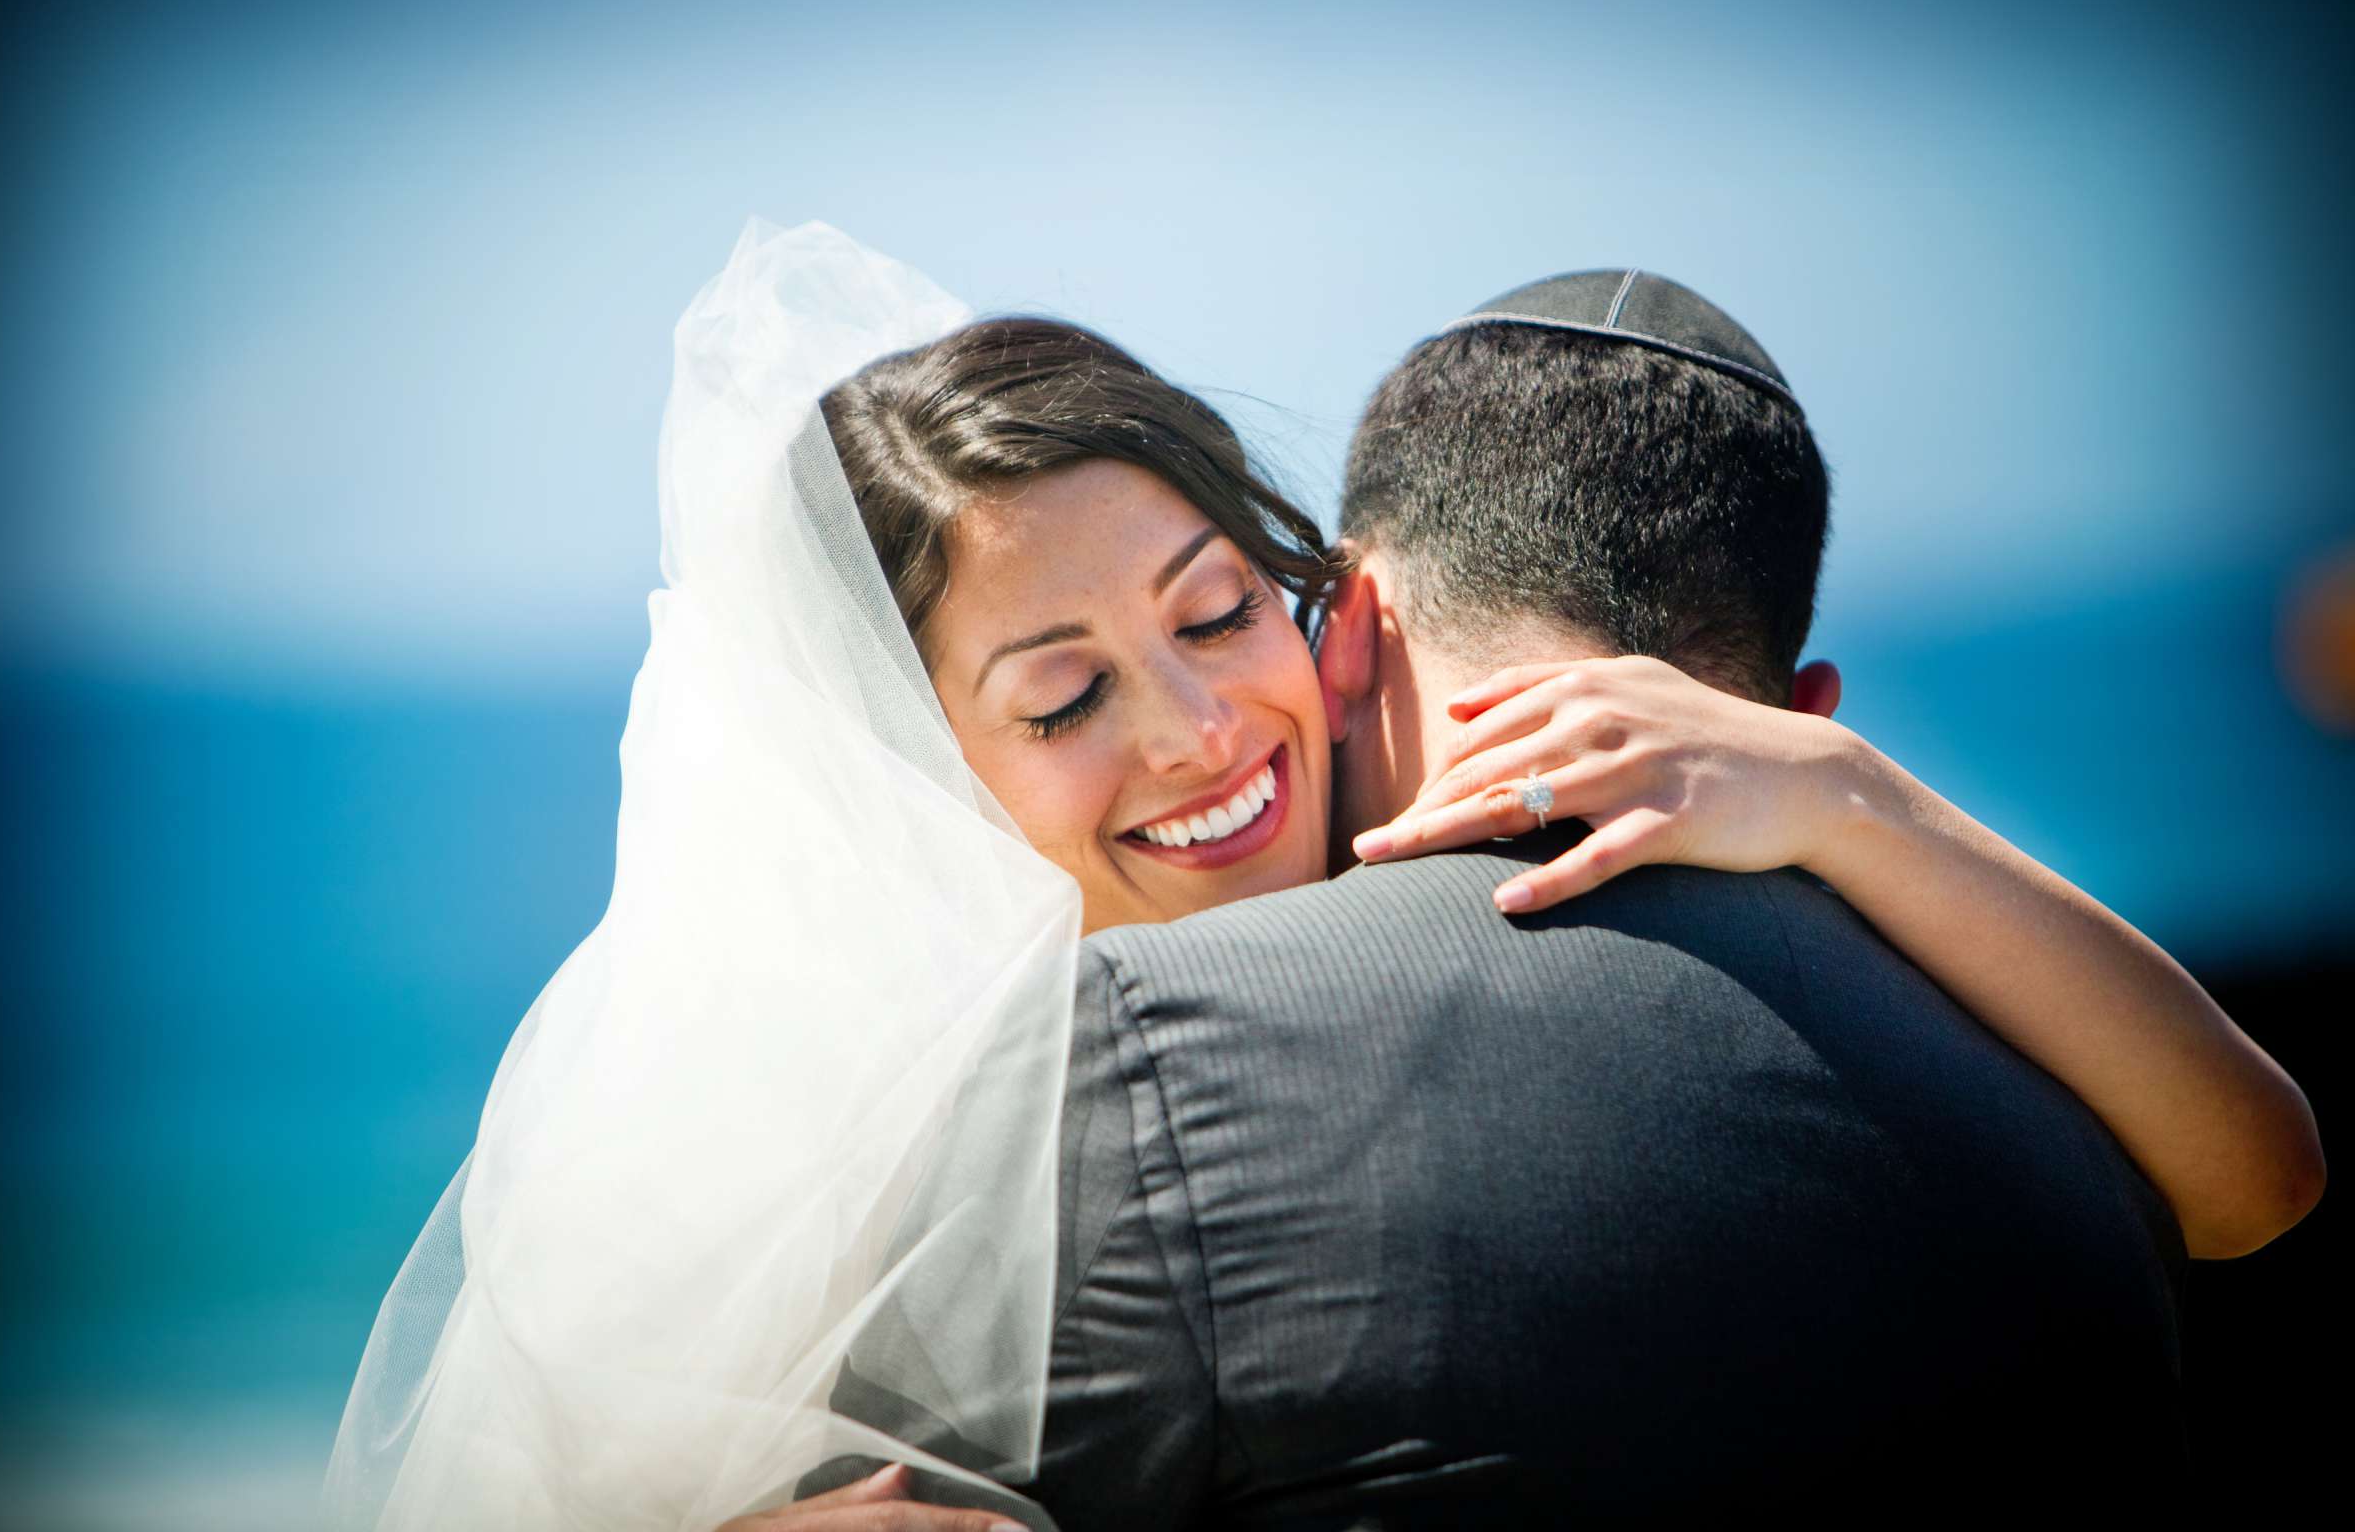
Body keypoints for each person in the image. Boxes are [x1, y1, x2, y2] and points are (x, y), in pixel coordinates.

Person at [328, 226, 2320, 1530]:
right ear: (916, 778)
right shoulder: (943, 1118)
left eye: (1217, 609)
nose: (1200, 723)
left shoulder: (1206, 1048)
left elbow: (2265, 1159)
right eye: (1065, 694)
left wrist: (1856, 798)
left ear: (1330, 615)